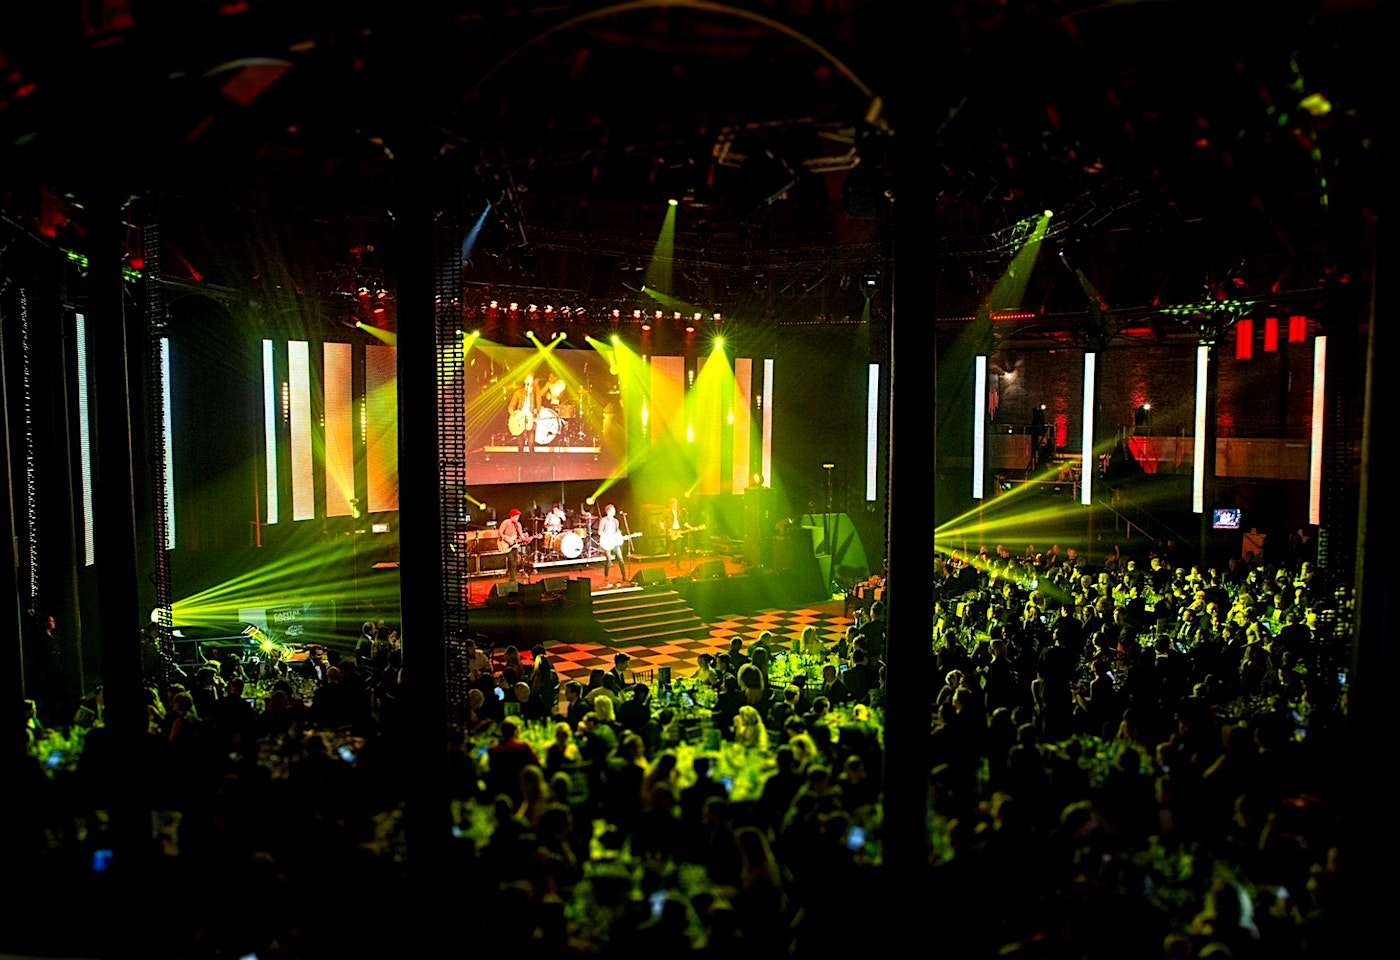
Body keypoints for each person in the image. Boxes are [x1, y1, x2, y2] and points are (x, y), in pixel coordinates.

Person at [597, 502, 631, 587]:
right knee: (609, 561)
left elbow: (617, 532)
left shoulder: (616, 521)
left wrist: (622, 537)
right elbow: (600, 532)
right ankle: (606, 575)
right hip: (606, 542)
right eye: (613, 510)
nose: (614, 511)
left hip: (614, 542)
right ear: (608, 511)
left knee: (621, 559)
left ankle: (624, 577)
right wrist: (607, 537)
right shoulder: (603, 520)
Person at [497, 508, 531, 582]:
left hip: (515, 545)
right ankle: (512, 579)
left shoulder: (518, 525)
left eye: (518, 517)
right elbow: (500, 532)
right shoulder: (506, 522)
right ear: (511, 516)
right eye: (515, 517)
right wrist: (507, 540)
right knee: (512, 561)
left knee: (515, 562)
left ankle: (512, 579)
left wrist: (528, 539)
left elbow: (521, 537)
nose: (517, 519)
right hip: (506, 543)